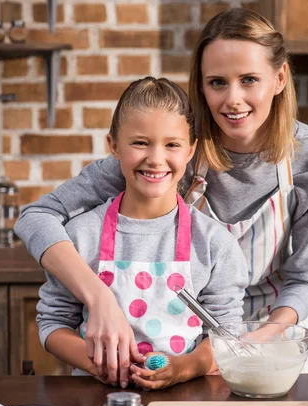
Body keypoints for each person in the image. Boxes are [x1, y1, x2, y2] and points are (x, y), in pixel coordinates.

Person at [15, 8, 308, 385]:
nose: (233, 99)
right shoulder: (174, 145)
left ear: (280, 77)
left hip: (270, 333)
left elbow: (305, 277)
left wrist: (253, 339)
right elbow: (36, 218)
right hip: (186, 345)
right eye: (217, 82)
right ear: (201, 86)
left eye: (249, 80)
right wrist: (98, 297)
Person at [34, 77, 248, 389]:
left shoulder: (215, 244)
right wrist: (98, 364)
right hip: (95, 400)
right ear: (114, 146)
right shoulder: (80, 235)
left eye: (172, 144)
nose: (156, 158)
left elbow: (227, 335)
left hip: (187, 403)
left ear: (190, 151)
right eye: (140, 142)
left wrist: (185, 367)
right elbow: (53, 325)